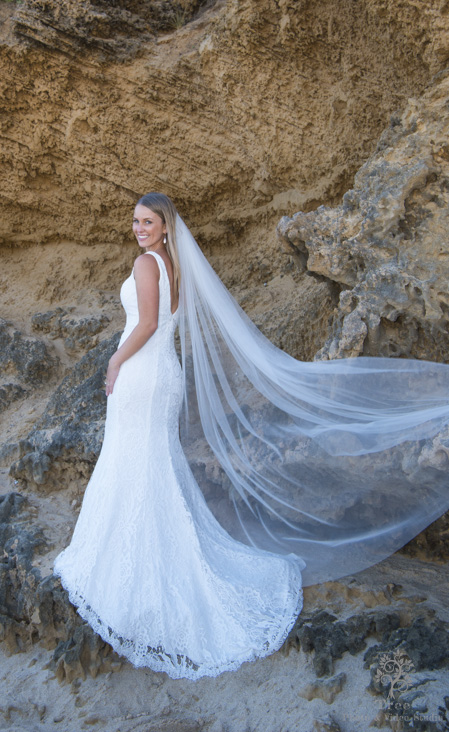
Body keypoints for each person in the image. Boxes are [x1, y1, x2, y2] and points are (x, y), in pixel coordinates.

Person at [54, 193, 449, 680]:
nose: (138, 227)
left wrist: (114, 360)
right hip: (163, 375)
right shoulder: (172, 265)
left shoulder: (146, 264)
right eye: (135, 220)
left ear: (164, 226)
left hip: (142, 374)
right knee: (148, 463)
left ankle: (127, 566)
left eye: (148, 221)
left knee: (133, 460)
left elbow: (150, 323)